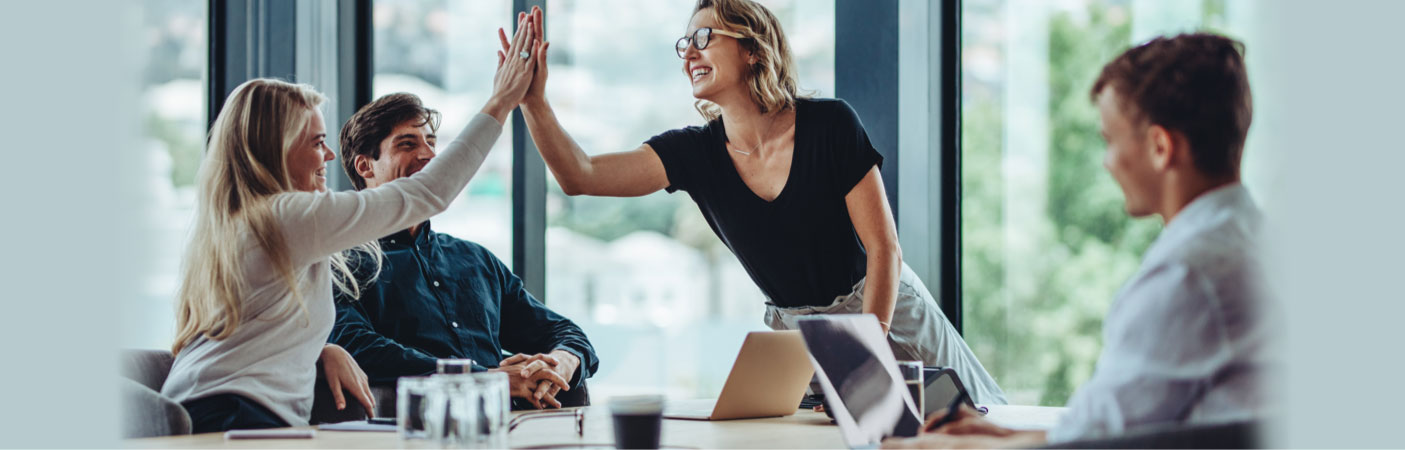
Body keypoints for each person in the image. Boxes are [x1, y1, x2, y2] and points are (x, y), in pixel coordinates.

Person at [510, 0, 1006, 405]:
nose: (689, 53)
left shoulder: (831, 124)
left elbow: (884, 249)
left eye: (705, 37)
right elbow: (580, 175)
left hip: (885, 306)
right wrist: (534, 101)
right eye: (685, 43)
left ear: (752, 49)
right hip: (799, 335)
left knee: (980, 420)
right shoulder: (693, 153)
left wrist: (865, 348)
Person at [884, 33, 1271, 448]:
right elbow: (1124, 428)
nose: (1106, 163)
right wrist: (1006, 434)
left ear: (1160, 147)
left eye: (1110, 140)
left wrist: (958, 446)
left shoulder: (1189, 275)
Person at [159, 16, 540, 433]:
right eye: (316, 142)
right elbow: (427, 194)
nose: (329, 157)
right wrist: (500, 103)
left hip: (216, 409)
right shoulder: (284, 217)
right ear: (276, 149)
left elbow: (255, 328)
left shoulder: (244, 222)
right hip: (233, 416)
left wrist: (322, 348)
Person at [329, 92, 599, 410]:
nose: (429, 154)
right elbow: (355, 345)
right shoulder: (341, 263)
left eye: (431, 142)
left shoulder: (474, 259)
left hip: (512, 430)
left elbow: (563, 331)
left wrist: (561, 362)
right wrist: (482, 378)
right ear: (365, 166)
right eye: (407, 144)